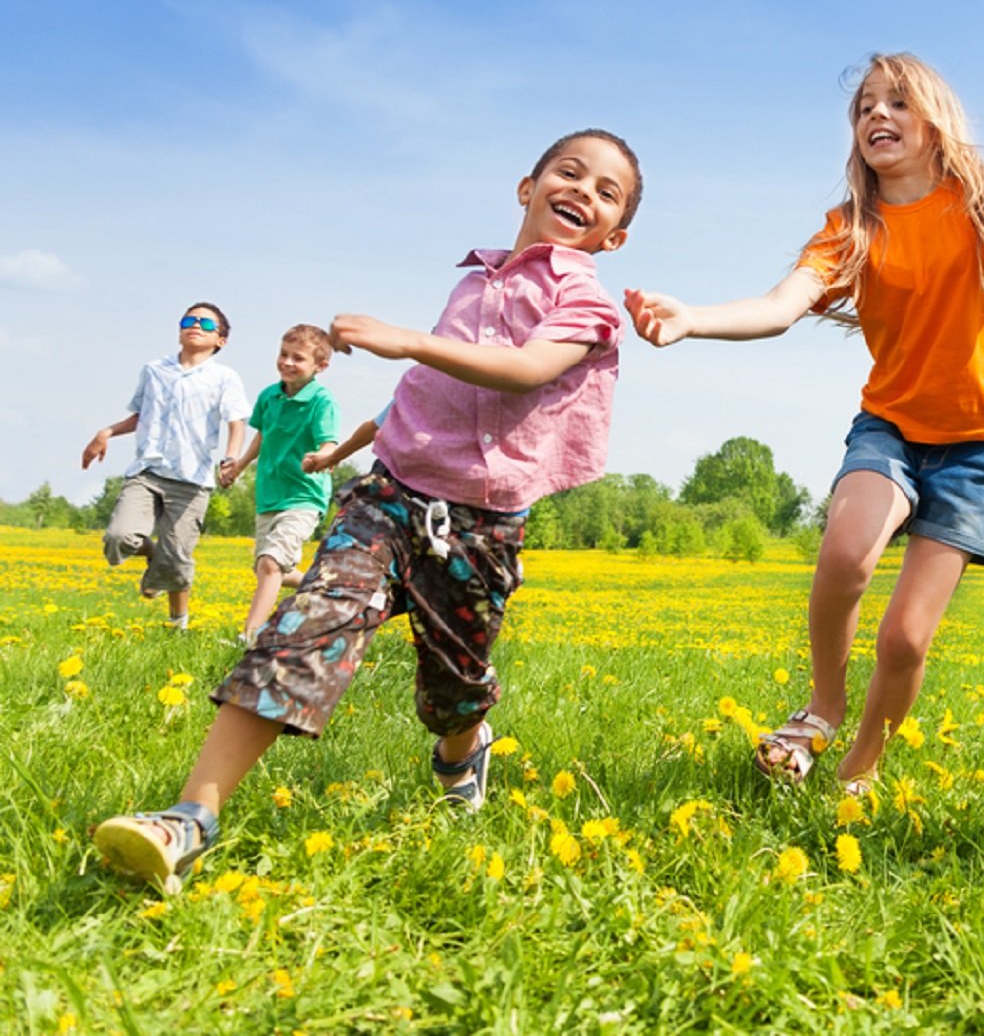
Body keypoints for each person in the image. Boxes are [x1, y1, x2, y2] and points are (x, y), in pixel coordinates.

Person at [92, 129, 639, 891]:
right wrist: (346, 445)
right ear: (527, 186)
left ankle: (460, 749)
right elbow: (424, 396)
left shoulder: (582, 295)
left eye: (606, 191)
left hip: (479, 524)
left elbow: (524, 371)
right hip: (388, 495)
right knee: (304, 624)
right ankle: (191, 817)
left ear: (615, 235)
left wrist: (405, 338)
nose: (583, 190)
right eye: (569, 172)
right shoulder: (473, 283)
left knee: (454, 685)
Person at [625, 52, 984, 793]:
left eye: (897, 102)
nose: (877, 115)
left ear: (935, 121)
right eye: (863, 108)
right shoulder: (852, 227)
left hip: (980, 449)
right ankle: (823, 706)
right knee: (847, 552)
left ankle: (859, 768)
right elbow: (781, 305)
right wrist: (692, 319)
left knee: (906, 637)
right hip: (890, 428)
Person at [83, 303, 249, 630]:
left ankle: (177, 626)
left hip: (192, 479)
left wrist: (231, 458)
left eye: (205, 323)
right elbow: (140, 415)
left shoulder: (224, 378)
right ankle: (155, 554)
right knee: (119, 537)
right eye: (189, 320)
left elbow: (236, 421)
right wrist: (107, 432)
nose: (195, 326)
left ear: (221, 340)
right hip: (147, 472)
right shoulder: (154, 369)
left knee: (177, 559)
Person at [221, 324, 340, 643]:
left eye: (297, 358)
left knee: (271, 563)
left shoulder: (321, 401)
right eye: (283, 354)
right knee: (266, 568)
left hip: (304, 496)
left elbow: (329, 442)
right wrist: (239, 466)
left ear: (320, 366)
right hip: (269, 494)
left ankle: (250, 637)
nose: (287, 362)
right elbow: (263, 435)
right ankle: (320, 589)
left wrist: (325, 454)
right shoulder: (268, 396)